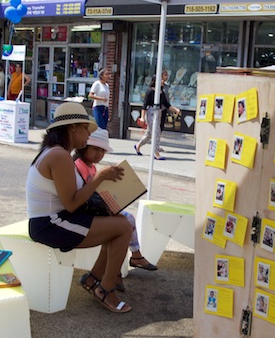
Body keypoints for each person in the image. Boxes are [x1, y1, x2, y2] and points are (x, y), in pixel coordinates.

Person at [27, 102, 133, 313]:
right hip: (50, 224)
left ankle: (94, 279)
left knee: (120, 223)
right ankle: (105, 289)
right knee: (123, 228)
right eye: (86, 128)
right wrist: (100, 178)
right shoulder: (59, 156)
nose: (88, 135)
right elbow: (72, 202)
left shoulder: (56, 152)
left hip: (56, 219)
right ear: (72, 127)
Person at [74, 128, 158, 273]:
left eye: (103, 151)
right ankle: (132, 258)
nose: (99, 154)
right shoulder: (79, 165)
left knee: (126, 219)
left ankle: (126, 263)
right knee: (126, 220)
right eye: (95, 149)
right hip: (86, 212)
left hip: (93, 209)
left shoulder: (91, 167)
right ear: (84, 147)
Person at [134, 75, 181, 160]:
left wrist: (175, 110)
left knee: (149, 134)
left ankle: (138, 146)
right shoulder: (150, 91)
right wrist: (142, 117)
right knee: (156, 132)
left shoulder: (161, 92)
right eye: (161, 80)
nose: (163, 81)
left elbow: (166, 104)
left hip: (158, 113)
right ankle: (156, 152)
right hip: (151, 113)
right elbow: (144, 105)